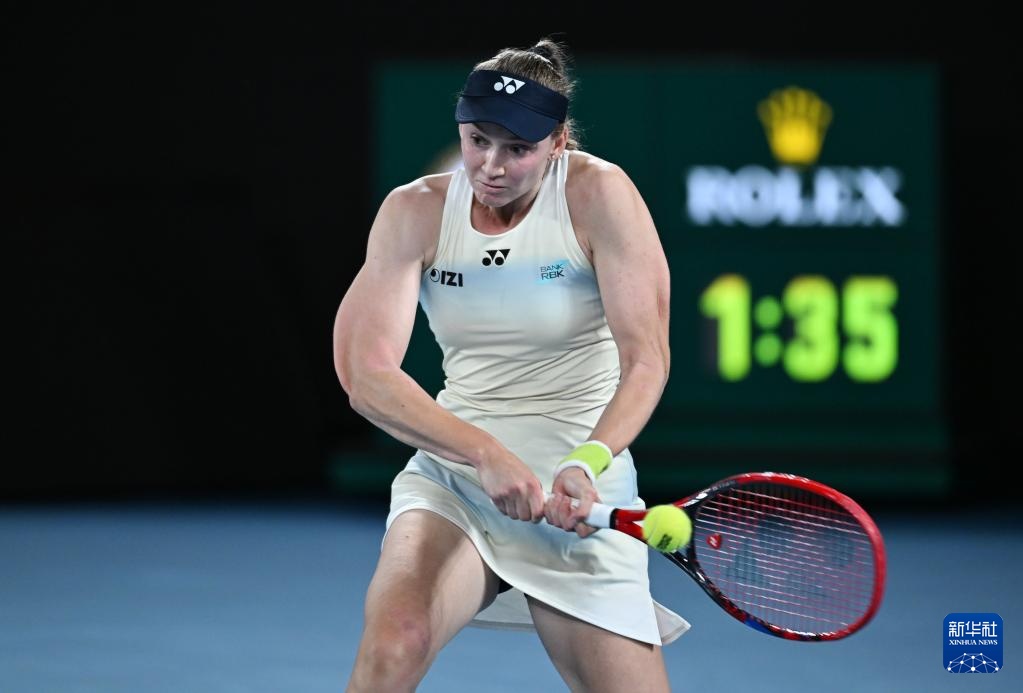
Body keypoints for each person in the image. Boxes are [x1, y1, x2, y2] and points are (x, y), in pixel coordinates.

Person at [333, 37, 687, 692]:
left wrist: (587, 462)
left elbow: (646, 360)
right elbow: (366, 375)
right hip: (456, 480)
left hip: (579, 487)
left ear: (557, 142)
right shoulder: (414, 210)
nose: (491, 166)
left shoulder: (599, 194)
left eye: (517, 148)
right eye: (477, 141)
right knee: (394, 643)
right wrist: (483, 453)